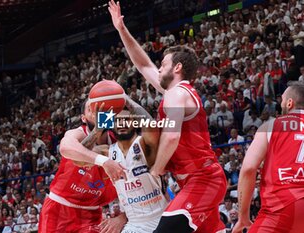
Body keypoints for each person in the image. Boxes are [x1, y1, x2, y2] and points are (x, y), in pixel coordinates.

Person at [108, 1, 227, 232]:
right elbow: (143, 65)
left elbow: (171, 136)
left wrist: (157, 169)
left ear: (177, 67)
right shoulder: (174, 94)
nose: (159, 68)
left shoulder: (176, 94)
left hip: (203, 179)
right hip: (194, 181)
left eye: (163, 64)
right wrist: (122, 30)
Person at [39, 101, 126, 233]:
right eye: (91, 109)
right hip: (58, 209)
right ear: (83, 118)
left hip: (91, 213)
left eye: (99, 108)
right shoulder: (77, 134)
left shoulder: (120, 142)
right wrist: (103, 160)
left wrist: (124, 217)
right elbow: (65, 148)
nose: (96, 111)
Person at [233, 81, 304, 233]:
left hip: (283, 204)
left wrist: (243, 215)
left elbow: (248, 169)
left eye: (283, 100)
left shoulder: (271, 126)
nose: (281, 103)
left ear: (290, 103)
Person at [97, 96, 167, 233]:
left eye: (126, 120)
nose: (122, 123)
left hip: (160, 218)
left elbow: (151, 126)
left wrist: (125, 100)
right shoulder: (107, 152)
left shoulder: (143, 144)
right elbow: (78, 158)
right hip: (134, 224)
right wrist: (97, 129)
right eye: (117, 120)